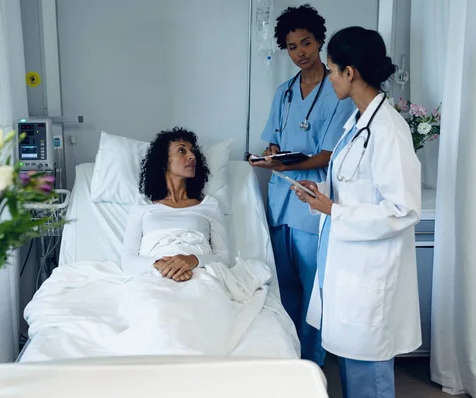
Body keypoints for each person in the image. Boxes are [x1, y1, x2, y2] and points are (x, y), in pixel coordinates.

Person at [292, 27, 422, 398]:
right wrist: (323, 195)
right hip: (347, 263)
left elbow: (402, 210)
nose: (329, 77)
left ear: (350, 72)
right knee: (353, 367)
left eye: (332, 70)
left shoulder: (388, 129)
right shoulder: (358, 123)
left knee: (369, 375)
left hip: (370, 273)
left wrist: (334, 209)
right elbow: (354, 184)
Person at [248, 4, 355, 367]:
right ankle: (286, 361)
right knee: (284, 291)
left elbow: (328, 155)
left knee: (314, 294)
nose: (300, 53)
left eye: (306, 43)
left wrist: (285, 163)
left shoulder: (338, 90)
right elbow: (273, 140)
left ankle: (311, 366)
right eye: (292, 47)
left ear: (320, 41)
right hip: (281, 201)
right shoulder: (285, 92)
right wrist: (271, 153)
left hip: (313, 203)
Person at [121, 128, 229, 281]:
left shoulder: (210, 205)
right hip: (155, 277)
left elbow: (224, 258)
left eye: (192, 151)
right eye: (181, 151)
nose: (192, 156)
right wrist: (159, 265)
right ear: (164, 161)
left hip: (199, 276)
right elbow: (127, 261)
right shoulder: (142, 206)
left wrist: (192, 260)